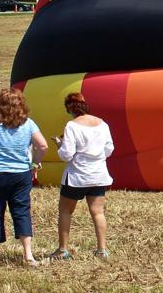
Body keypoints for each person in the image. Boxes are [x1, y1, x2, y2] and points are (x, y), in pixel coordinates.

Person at [0, 88, 48, 266]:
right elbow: (43, 146)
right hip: (21, 174)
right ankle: (28, 255)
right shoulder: (28, 124)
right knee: (22, 212)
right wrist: (35, 163)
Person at [48, 92, 115, 261]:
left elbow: (67, 154)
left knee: (65, 210)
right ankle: (102, 249)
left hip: (77, 175)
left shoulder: (72, 126)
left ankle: (63, 249)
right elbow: (109, 149)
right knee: (98, 212)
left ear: (70, 109)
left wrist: (59, 145)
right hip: (98, 174)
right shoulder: (102, 124)